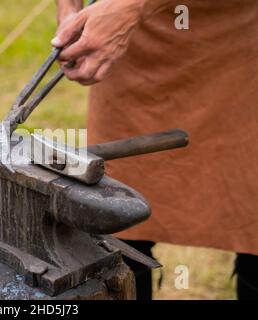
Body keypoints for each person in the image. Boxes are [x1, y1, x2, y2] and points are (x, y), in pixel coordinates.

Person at [53, 0, 258, 299]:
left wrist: (133, 6)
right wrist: (68, 10)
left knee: (251, 215)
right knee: (117, 228)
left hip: (238, 46)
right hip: (131, 56)